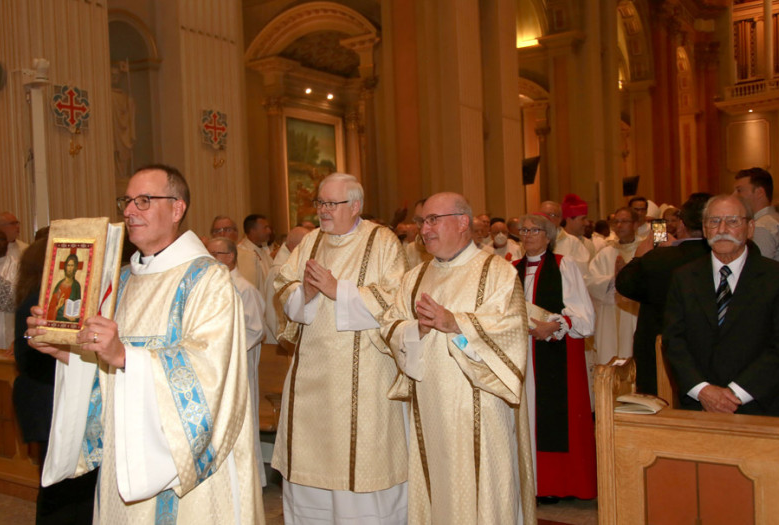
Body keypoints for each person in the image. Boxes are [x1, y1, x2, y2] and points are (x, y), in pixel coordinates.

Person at [27, 164, 264, 522]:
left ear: (177, 209)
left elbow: (209, 371)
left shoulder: (206, 279)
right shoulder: (119, 280)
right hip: (123, 456)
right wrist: (65, 352)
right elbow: (104, 368)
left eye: (143, 201)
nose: (128, 211)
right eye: (127, 201)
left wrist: (125, 356)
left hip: (185, 467)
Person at [379, 192, 534, 524]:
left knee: (484, 490)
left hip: (479, 407)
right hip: (430, 405)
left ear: (463, 222)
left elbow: (510, 333)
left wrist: (456, 324)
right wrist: (415, 330)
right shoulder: (414, 277)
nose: (425, 229)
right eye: (423, 221)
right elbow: (389, 327)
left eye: (434, 220)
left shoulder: (497, 272)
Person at [273, 173, 409, 524]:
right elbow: (283, 285)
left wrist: (339, 290)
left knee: (360, 467)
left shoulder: (382, 241)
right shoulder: (311, 241)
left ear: (356, 205)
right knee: (310, 465)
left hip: (363, 379)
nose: (323, 211)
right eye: (320, 203)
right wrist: (305, 294)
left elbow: (395, 298)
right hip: (310, 381)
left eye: (331, 204)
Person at [664, 195, 779, 417]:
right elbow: (673, 340)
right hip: (699, 406)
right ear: (705, 229)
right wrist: (703, 390)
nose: (722, 229)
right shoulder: (684, 278)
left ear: (750, 227)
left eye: (733, 221)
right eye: (714, 221)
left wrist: (735, 394)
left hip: (761, 406)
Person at [12, 237, 98, 524]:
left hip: (38, 397)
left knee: (56, 481)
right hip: (49, 398)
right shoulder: (42, 299)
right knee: (62, 486)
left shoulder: (30, 295)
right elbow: (33, 356)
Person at [514, 213, 595, 503]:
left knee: (553, 417)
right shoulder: (510, 269)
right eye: (523, 230)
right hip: (521, 355)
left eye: (534, 230)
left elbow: (585, 319)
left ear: (548, 236)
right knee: (524, 416)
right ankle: (527, 482)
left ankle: (554, 483)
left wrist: (556, 325)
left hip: (555, 354)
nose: (527, 235)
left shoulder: (564, 265)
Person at [615, 193, 711, 395]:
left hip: (662, 348)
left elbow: (625, 285)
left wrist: (639, 257)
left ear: (682, 224)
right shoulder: (719, 255)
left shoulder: (659, 258)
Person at [207, 236, 268, 488]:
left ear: (230, 257)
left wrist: (226, 351)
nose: (209, 260)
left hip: (237, 366)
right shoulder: (210, 286)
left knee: (241, 423)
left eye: (215, 254)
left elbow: (256, 330)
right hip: (215, 368)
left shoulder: (244, 289)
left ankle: (248, 482)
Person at [586, 207, 642, 365]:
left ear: (636, 224)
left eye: (624, 221)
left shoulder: (644, 251)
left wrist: (628, 278)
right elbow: (590, 281)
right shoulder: (606, 253)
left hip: (634, 315)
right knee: (609, 359)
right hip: (609, 316)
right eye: (616, 222)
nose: (619, 225)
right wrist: (613, 280)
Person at [733, 167, 779, 268]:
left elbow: (757, 269)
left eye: (739, 190)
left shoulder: (761, 227)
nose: (734, 196)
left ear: (759, 192)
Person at [539, 200, 591, 276]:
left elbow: (582, 274)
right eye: (541, 215)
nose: (544, 218)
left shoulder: (573, 243)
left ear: (560, 219)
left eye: (551, 215)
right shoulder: (530, 241)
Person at [238, 214, 274, 298]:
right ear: (252, 231)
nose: (269, 231)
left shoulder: (264, 250)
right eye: (265, 228)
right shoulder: (243, 253)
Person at [46, 253, 82, 323]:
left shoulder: (77, 285)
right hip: (58, 320)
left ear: (75, 268)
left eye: (72, 266)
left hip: (71, 322)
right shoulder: (59, 285)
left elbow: (78, 305)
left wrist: (75, 318)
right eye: (68, 265)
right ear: (65, 267)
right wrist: (58, 307)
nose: (70, 268)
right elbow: (50, 309)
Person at [561, 194, 595, 259]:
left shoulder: (588, 245)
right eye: (583, 219)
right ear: (569, 219)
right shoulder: (556, 244)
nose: (587, 223)